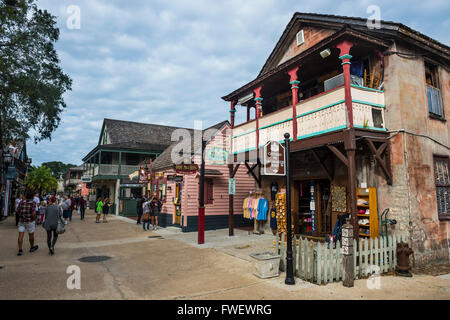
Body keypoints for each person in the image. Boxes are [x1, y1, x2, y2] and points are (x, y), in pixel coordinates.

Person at [16, 190, 39, 256]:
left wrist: (20, 215)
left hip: (22, 221)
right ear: (32, 196)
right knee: (31, 235)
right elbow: (33, 213)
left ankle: (20, 250)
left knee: (20, 235)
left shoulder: (21, 202)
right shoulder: (33, 203)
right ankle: (32, 247)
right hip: (30, 221)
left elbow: (18, 210)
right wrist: (35, 219)